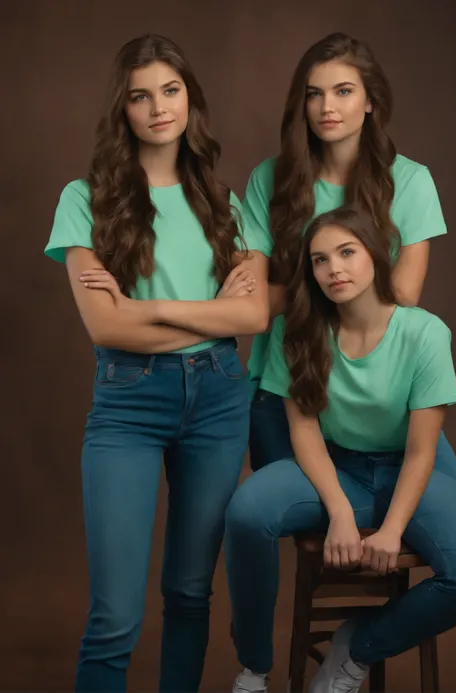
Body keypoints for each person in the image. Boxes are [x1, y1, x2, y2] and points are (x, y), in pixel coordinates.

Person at [44, 34, 268, 693]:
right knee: (115, 614)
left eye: (170, 91)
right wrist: (201, 315)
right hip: (129, 404)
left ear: (189, 101)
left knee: (190, 593)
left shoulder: (224, 205)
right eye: (140, 96)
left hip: (221, 401)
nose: (157, 107)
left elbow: (252, 319)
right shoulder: (84, 199)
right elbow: (106, 326)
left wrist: (147, 311)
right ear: (124, 109)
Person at [225, 206, 456, 693]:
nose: (334, 269)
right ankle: (254, 669)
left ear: (376, 256)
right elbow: (304, 432)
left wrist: (392, 529)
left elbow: (423, 451)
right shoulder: (296, 331)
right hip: (338, 468)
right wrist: (339, 511)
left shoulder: (424, 333)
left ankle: (358, 647)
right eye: (320, 260)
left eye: (346, 252)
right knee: (246, 513)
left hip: (410, 470)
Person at [243, 31, 456, 487]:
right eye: (314, 94)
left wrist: (297, 291)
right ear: (301, 104)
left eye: (344, 92)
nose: (328, 107)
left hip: (381, 392)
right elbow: (254, 307)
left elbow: (404, 293)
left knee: (453, 523)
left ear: (370, 101)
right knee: (264, 517)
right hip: (288, 377)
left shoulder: (408, 180)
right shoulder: (270, 179)